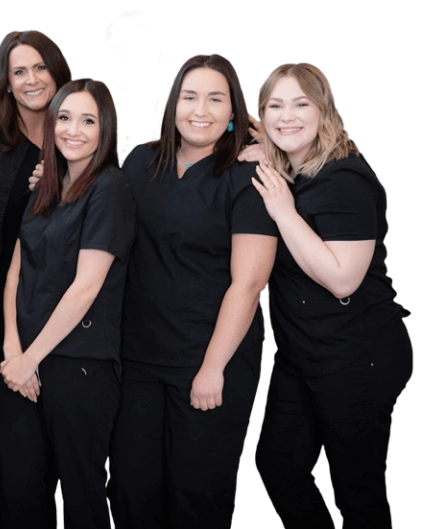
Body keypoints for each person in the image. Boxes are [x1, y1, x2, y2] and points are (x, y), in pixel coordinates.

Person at [107, 54, 279, 528]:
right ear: (172, 104)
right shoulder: (140, 163)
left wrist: (212, 368)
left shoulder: (247, 175)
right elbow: (97, 224)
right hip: (139, 359)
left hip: (208, 362)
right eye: (190, 96)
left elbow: (250, 283)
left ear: (234, 113)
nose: (200, 110)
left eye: (215, 99)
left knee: (195, 497)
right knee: (132, 490)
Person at [251, 62, 413, 529]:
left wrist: (283, 212)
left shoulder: (345, 179)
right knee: (279, 467)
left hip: (357, 357)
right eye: (275, 106)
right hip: (305, 355)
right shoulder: (291, 171)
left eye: (302, 104)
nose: (287, 116)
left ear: (325, 111)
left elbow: (343, 278)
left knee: (356, 491)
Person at [0, 78, 135, 529]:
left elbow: (86, 288)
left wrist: (32, 357)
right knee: (20, 492)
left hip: (79, 365)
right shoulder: (46, 186)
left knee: (82, 497)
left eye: (89, 120)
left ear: (105, 129)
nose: (74, 130)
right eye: (66, 118)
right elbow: (15, 272)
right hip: (22, 366)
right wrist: (14, 353)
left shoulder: (109, 189)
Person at [0, 29, 71, 528]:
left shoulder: (80, 130)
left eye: (39, 68)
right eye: (18, 70)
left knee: (53, 423)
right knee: (4, 419)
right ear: (5, 80)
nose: (30, 80)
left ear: (56, 70)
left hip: (62, 303)